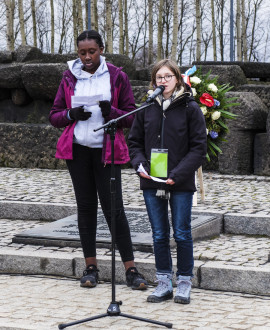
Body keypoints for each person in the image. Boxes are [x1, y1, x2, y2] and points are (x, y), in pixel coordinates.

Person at [49, 30, 148, 291]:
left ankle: (131, 269)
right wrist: (72, 113)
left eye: (91, 51)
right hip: (78, 151)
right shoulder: (70, 76)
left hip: (108, 152)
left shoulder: (117, 77)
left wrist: (111, 112)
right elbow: (55, 116)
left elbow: (132, 116)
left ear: (101, 49)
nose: (87, 57)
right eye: (82, 53)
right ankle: (91, 267)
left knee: (114, 209)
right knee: (86, 208)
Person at [128, 59, 207, 303]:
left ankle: (184, 281)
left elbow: (198, 148)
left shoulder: (190, 108)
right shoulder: (147, 107)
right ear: (154, 81)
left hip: (179, 181)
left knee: (182, 233)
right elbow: (134, 142)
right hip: (152, 180)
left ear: (177, 78)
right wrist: (139, 165)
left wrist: (178, 174)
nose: (163, 81)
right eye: (158, 77)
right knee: (159, 234)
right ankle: (164, 282)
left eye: (167, 76)